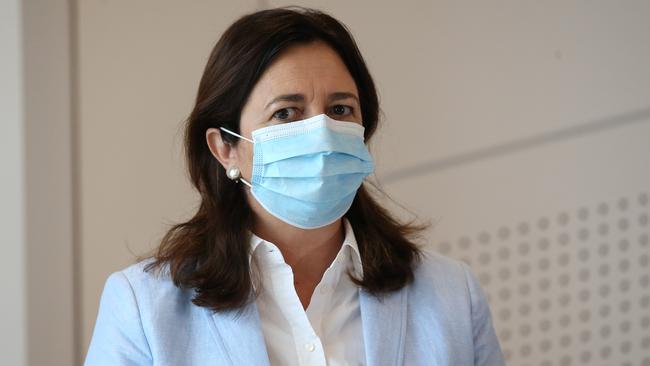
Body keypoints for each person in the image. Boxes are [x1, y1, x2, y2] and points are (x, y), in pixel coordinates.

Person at [84, 6, 504, 366]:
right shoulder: (142, 307)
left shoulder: (452, 295)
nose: (321, 133)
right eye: (286, 113)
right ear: (225, 148)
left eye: (340, 109)